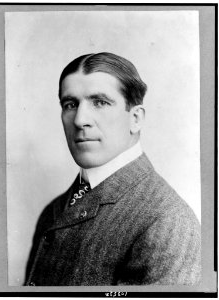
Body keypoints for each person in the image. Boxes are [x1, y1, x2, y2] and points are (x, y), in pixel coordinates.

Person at [24, 52, 201, 286]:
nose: (80, 120)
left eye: (100, 102)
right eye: (70, 104)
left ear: (135, 118)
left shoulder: (167, 221)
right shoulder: (54, 210)